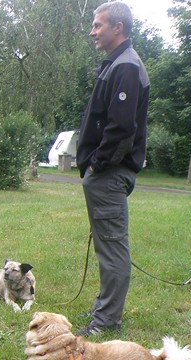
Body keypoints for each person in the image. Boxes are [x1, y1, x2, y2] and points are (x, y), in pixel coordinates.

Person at [75, 1, 150, 336]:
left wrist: (97, 164)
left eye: (98, 25)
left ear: (118, 27)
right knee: (107, 246)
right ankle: (104, 309)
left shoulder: (126, 67)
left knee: (112, 247)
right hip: (104, 174)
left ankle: (106, 321)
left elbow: (121, 129)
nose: (92, 31)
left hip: (108, 173)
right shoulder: (117, 64)